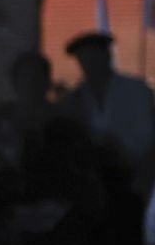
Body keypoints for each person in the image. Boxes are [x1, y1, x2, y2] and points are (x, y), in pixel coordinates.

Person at [61, 30, 155, 198]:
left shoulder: (135, 90)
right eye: (84, 59)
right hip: (95, 181)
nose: (89, 64)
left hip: (135, 174)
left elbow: (146, 135)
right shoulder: (77, 97)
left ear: (106, 57)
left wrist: (121, 148)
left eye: (94, 57)